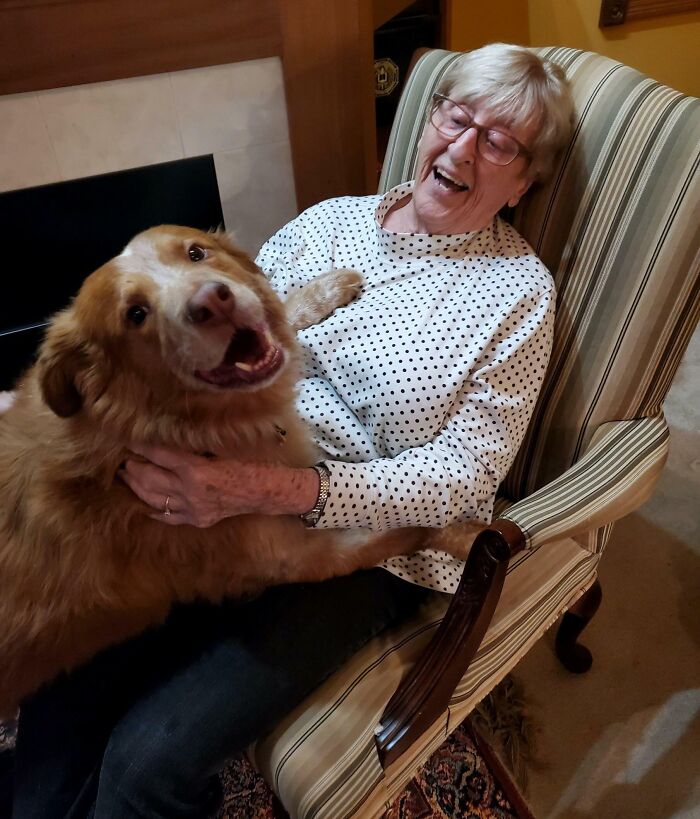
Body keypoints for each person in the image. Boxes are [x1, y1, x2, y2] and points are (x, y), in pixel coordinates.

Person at [11, 43, 574, 818]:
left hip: (361, 544)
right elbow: (224, 346)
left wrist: (271, 487)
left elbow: (462, 479)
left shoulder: (518, 296)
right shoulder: (330, 221)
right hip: (218, 493)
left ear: (525, 181)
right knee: (66, 690)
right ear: (429, 119)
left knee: (147, 761)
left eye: (500, 141)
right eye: (457, 116)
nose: (463, 146)